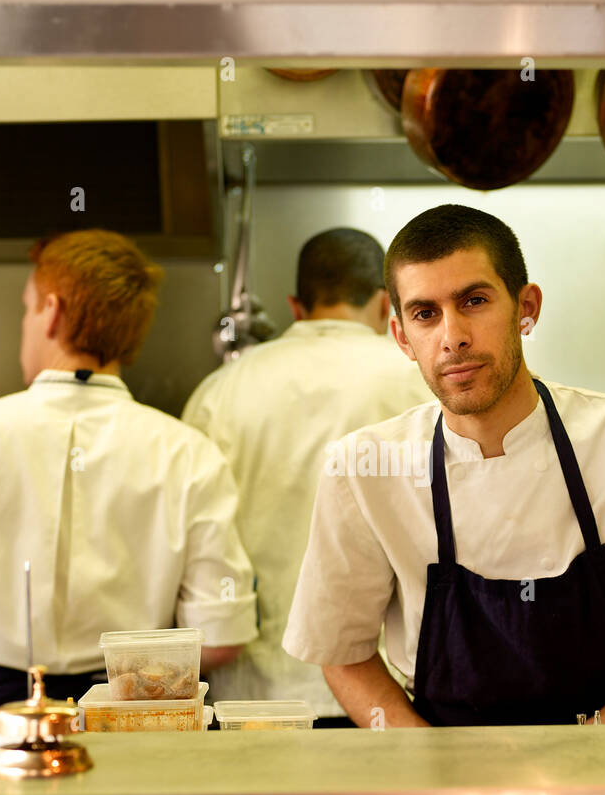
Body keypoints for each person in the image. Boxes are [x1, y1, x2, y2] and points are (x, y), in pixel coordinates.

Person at [282, 205, 605, 727]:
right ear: (401, 336)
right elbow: (341, 652)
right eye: (425, 314)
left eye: (474, 301)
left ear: (526, 307)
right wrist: (423, 764)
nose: (452, 336)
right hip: (450, 790)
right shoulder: (365, 469)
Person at [0, 228, 257, 732]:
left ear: (51, 312)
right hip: (136, 723)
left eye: (26, 308)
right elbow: (222, 633)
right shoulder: (188, 453)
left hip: (0, 724)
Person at [182, 228, 431, 726]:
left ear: (297, 306)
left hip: (252, 698)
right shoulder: (422, 381)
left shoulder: (220, 392)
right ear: (387, 305)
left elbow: (192, 545)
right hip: (389, 693)